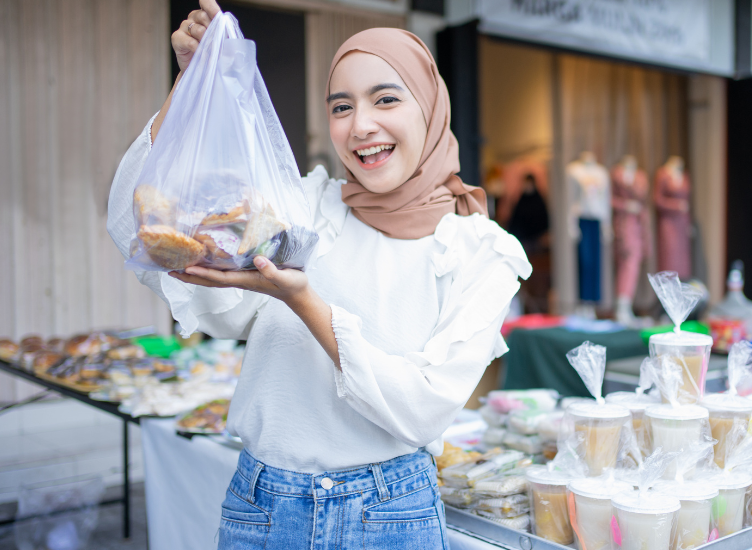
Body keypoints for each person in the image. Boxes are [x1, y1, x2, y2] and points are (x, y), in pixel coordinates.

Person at [106, 1, 531, 547]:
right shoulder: (306, 207)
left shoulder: (480, 250)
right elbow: (141, 222)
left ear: (429, 106)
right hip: (262, 505)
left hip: (390, 515)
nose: (361, 125)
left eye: (386, 99)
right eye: (341, 106)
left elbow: (421, 409)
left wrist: (305, 301)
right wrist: (191, 86)